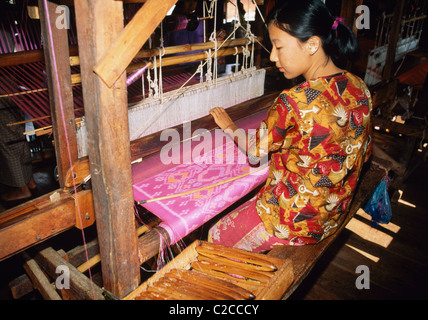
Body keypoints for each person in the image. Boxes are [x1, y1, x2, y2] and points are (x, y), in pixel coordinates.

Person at [208, 0, 372, 253]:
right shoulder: (358, 86)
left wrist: (229, 125)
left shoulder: (294, 99)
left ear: (313, 44)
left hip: (294, 222)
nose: (273, 56)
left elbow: (255, 152)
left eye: (278, 46)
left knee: (215, 234)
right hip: (333, 211)